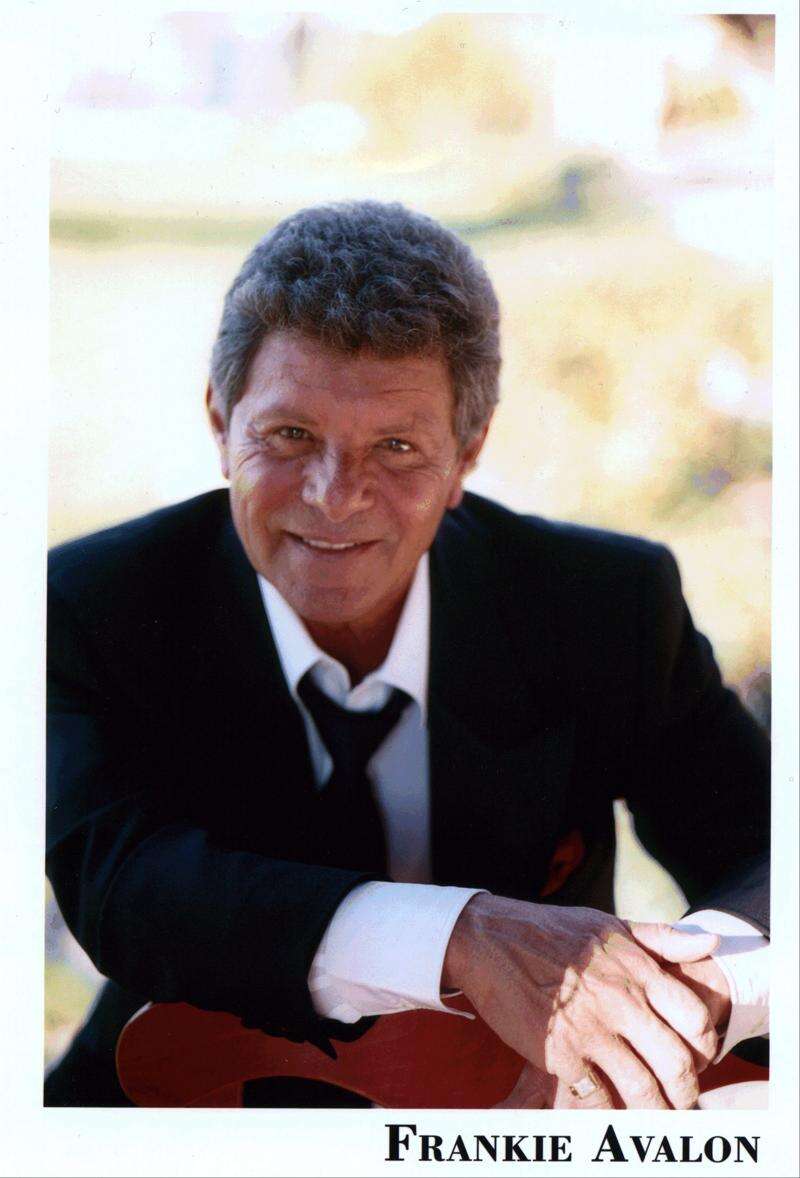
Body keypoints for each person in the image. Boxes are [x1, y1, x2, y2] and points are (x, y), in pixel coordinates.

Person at [45, 201, 769, 1109]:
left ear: (467, 454)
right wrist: (459, 936)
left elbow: (766, 850)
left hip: (533, 1122)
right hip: (190, 1106)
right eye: (290, 435)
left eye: (396, 447)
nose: (335, 496)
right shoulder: (89, 604)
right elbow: (122, 883)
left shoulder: (607, 602)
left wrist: (693, 993)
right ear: (221, 422)